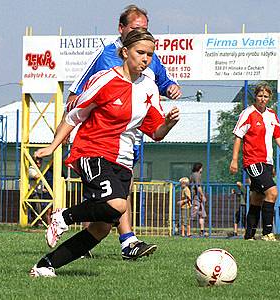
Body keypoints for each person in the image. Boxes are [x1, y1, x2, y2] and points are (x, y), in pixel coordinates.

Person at [29, 28, 180, 277]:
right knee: (117, 204)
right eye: (140, 52)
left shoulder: (150, 88)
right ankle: (63, 216)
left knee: (100, 228)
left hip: (123, 159)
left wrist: (169, 123)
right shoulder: (105, 79)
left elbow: (156, 132)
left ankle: (45, 266)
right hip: (92, 150)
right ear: (124, 52)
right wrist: (54, 145)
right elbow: (74, 114)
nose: (145, 58)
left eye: (150, 55)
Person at [65, 4, 182, 260]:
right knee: (109, 195)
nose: (141, 32)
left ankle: (117, 242)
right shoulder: (105, 55)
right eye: (135, 28)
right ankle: (125, 240)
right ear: (121, 29)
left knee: (119, 192)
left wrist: (171, 86)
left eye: (145, 29)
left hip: (132, 137)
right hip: (100, 141)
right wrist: (73, 118)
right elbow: (77, 92)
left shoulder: (149, 56)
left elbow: (161, 82)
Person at [229, 82, 280, 241]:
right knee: (272, 192)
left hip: (267, 162)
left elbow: (279, 138)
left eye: (265, 96)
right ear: (255, 96)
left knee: (257, 199)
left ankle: (249, 236)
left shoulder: (272, 115)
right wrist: (234, 160)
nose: (262, 99)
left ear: (269, 98)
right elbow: (238, 137)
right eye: (260, 96)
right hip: (253, 161)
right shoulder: (248, 113)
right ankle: (268, 233)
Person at [190, 162, 207, 237]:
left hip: (198, 197)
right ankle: (181, 226)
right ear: (199, 168)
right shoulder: (196, 175)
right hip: (196, 197)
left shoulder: (194, 175)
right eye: (201, 167)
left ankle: (202, 230)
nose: (202, 169)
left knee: (202, 214)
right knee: (193, 213)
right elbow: (198, 186)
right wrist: (202, 195)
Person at [28, 157, 45, 226]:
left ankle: (35, 222)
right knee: (36, 207)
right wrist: (45, 171)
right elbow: (36, 176)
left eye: (40, 163)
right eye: (37, 163)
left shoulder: (37, 170)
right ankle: (34, 222)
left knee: (36, 207)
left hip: (38, 191)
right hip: (32, 192)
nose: (39, 165)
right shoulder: (31, 169)